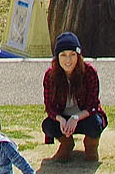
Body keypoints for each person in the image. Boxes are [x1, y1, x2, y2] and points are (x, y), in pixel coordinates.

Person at [41, 33, 105, 162]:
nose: (68, 60)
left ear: (78, 56)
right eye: (63, 55)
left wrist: (76, 118)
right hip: (63, 119)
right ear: (57, 57)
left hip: (84, 116)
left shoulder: (89, 72)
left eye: (72, 55)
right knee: (48, 125)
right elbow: (49, 106)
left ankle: (91, 145)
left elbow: (92, 105)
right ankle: (66, 143)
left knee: (95, 123)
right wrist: (61, 120)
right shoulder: (50, 75)